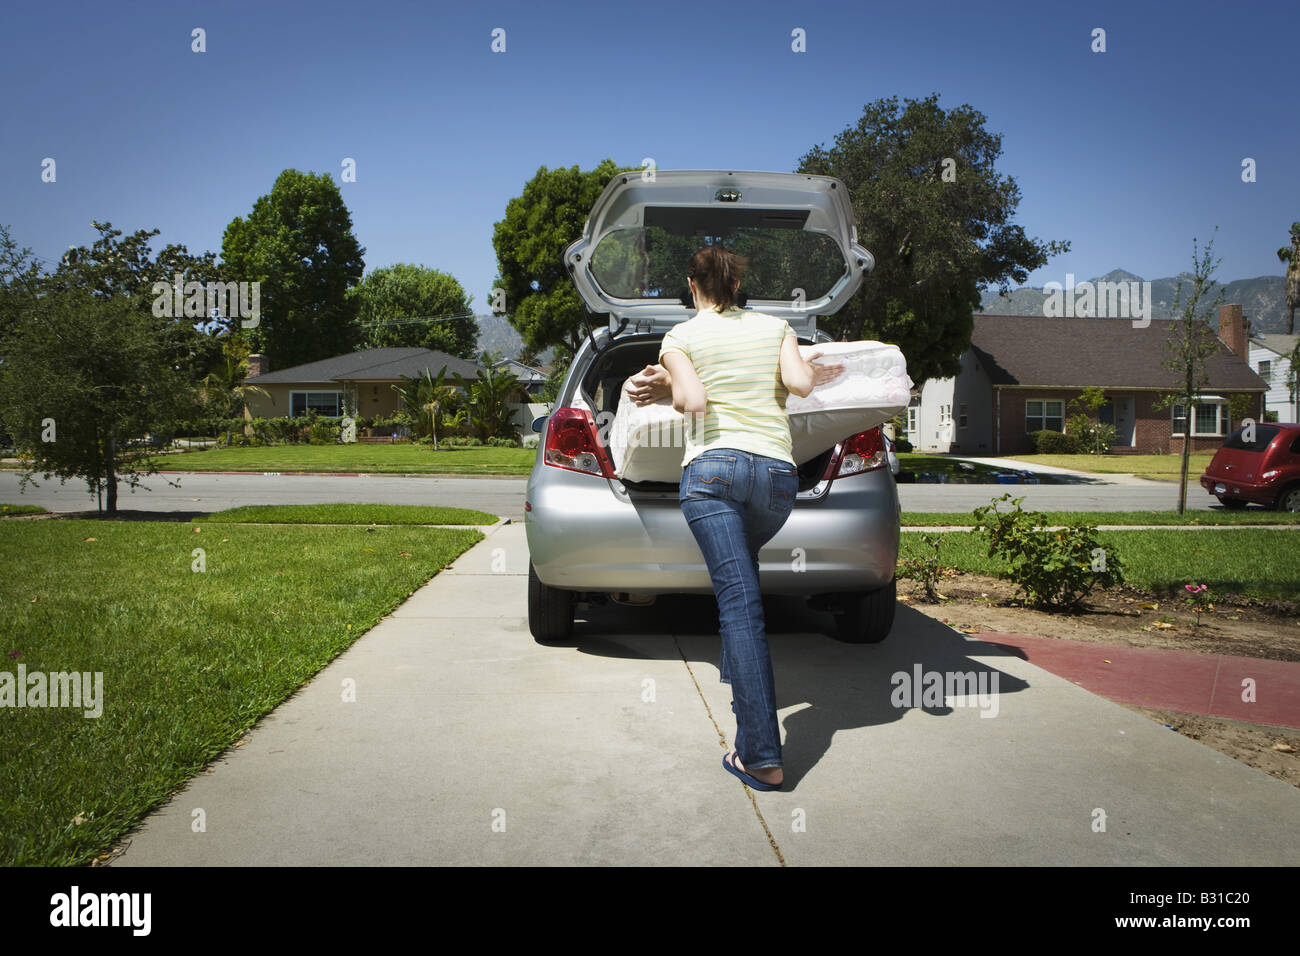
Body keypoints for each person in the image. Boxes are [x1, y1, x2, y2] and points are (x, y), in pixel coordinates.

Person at [624, 245, 843, 790]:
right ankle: (737, 674)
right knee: (740, 584)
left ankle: (762, 756)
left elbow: (694, 402)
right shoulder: (777, 327)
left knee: (739, 606)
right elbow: (800, 386)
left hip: (713, 475)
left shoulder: (681, 338)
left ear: (693, 287)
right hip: (775, 478)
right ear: (738, 286)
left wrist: (665, 387)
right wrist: (809, 364)